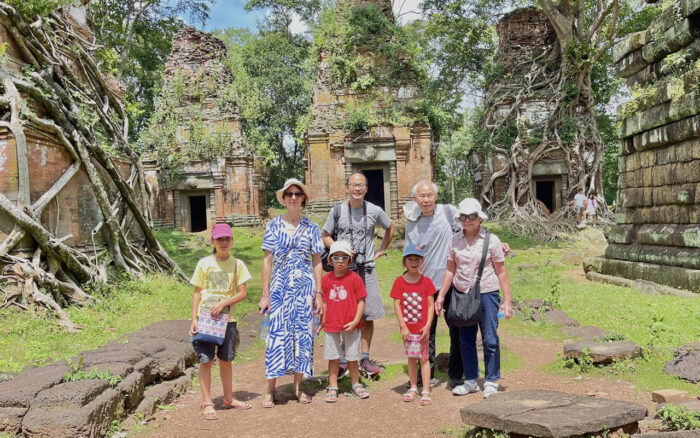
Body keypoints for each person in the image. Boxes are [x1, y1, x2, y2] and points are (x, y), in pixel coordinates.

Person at [435, 198, 514, 399]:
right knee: (466, 340)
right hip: (462, 293)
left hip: (487, 292)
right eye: (463, 217)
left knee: (489, 338)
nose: (467, 220)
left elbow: (501, 272)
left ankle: (491, 379)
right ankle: (471, 379)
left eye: (472, 216)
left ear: (479, 218)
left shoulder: (492, 240)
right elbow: (450, 270)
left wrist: (507, 300)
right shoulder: (454, 241)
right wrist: (441, 296)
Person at [259, 178, 324, 407]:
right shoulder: (273, 226)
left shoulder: (312, 227)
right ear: (284, 198)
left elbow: (317, 261)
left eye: (298, 193)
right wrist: (265, 294)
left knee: (302, 336)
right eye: (289, 194)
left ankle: (298, 387)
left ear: (303, 198)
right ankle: (270, 390)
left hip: (305, 289)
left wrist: (319, 294)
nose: (294, 197)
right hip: (279, 288)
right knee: (275, 336)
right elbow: (267, 261)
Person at [322, 172, 395, 378]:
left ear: (366, 189)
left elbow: (390, 227)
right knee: (342, 312)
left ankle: (364, 357)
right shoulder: (337, 211)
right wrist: (339, 248)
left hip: (366, 268)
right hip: (343, 271)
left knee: (368, 314)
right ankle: (345, 359)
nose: (356, 188)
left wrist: (381, 249)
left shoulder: (374, 210)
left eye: (360, 185)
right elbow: (325, 235)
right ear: (347, 187)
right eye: (353, 185)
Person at [189, 223, 252, 420]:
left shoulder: (237, 264)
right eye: (220, 239)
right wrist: (194, 318)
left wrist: (225, 302)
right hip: (207, 320)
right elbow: (197, 294)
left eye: (227, 239)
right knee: (206, 361)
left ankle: (228, 398)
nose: (224, 242)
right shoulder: (204, 263)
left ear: (232, 240)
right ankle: (207, 403)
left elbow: (242, 293)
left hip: (227, 319)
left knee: (226, 361)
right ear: (213, 241)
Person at [403, 181, 462, 389]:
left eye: (429, 195)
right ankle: (425, 371)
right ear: (415, 199)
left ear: (436, 196)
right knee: (425, 331)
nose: (426, 199)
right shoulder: (412, 220)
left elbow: (471, 231)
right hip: (424, 284)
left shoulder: (449, 212)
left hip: (450, 281)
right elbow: (410, 252)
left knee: (456, 327)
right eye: (422, 196)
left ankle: (457, 372)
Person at [320, 240, 369, 403]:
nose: (340, 261)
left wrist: (356, 321)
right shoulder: (326, 280)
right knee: (333, 357)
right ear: (330, 260)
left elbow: (361, 301)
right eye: (336, 257)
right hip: (331, 325)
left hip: (351, 325)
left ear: (349, 260)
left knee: (352, 357)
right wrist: (323, 320)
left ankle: (355, 383)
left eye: (343, 257)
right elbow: (325, 302)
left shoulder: (355, 278)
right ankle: (333, 386)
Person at [390, 244, 436, 406]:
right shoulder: (399, 282)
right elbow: (397, 304)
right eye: (410, 259)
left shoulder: (427, 282)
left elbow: (431, 304)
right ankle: (413, 387)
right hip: (408, 330)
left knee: (424, 358)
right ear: (405, 262)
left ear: (422, 261)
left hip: (422, 329)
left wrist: (428, 324)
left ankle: (426, 390)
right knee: (411, 358)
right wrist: (403, 326)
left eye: (417, 259)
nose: (414, 262)